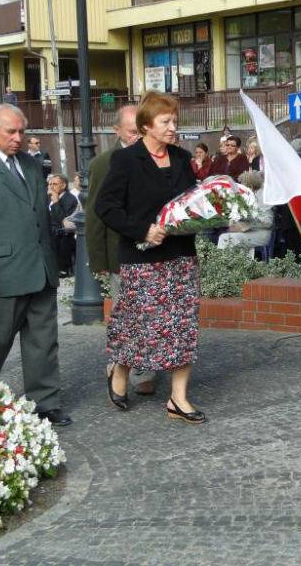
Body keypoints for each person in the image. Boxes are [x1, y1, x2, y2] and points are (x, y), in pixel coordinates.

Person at [0, 103, 71, 427]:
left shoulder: (32, 166)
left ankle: (45, 402)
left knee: (43, 339)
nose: (18, 138)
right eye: (11, 132)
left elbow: (39, 217)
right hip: (3, 273)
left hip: (41, 269)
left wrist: (55, 261)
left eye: (21, 131)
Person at [95, 91, 206, 423]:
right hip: (142, 260)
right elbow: (106, 207)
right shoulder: (126, 160)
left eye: (175, 121)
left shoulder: (183, 158)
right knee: (142, 327)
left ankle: (178, 399)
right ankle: (121, 370)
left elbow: (192, 203)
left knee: (184, 327)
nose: (173, 127)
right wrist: (142, 229)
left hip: (181, 257)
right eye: (166, 121)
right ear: (146, 125)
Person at [86, 105, 157, 396]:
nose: (138, 137)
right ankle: (124, 367)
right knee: (126, 316)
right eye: (132, 132)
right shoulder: (104, 163)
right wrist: (98, 258)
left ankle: (142, 370)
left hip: (154, 251)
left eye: (142, 130)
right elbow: (94, 213)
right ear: (116, 131)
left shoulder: (157, 157)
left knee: (150, 314)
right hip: (120, 254)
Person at [217, 170, 274, 256]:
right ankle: (237, 265)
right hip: (249, 232)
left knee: (225, 238)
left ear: (250, 186)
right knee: (227, 236)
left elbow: (267, 222)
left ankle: (232, 266)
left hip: (261, 234)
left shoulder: (262, 197)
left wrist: (246, 223)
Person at [48, 174, 79, 277]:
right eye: (50, 184)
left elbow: (62, 220)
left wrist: (56, 202)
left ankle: (63, 270)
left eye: (55, 184)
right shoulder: (48, 197)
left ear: (64, 185)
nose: (51, 186)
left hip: (63, 234)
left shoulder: (70, 199)